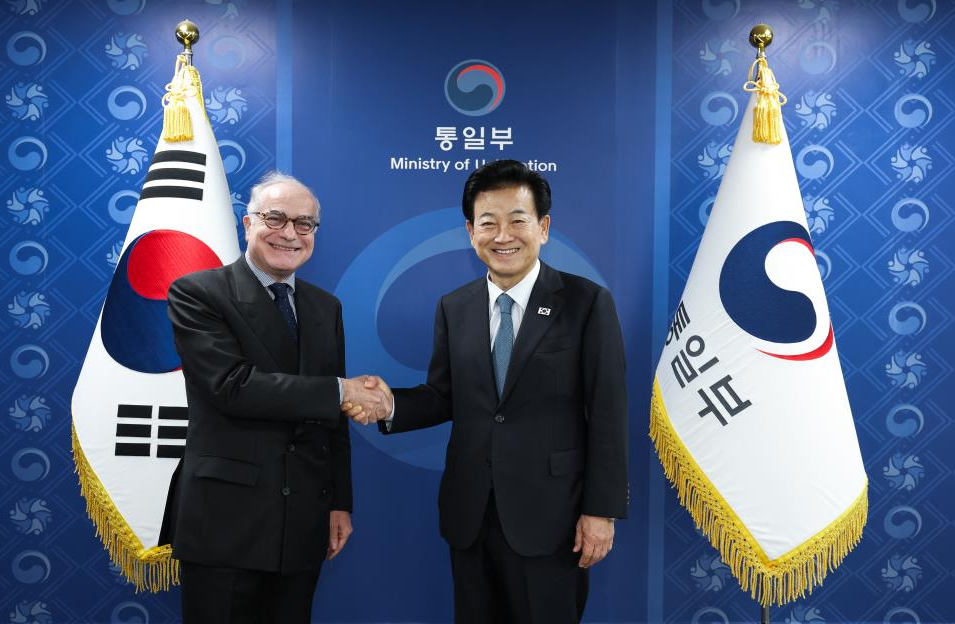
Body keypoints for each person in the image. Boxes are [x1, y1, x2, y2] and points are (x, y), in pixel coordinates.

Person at [345, 160, 629, 624]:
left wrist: (602, 510)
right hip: (471, 513)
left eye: (517, 220)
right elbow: (442, 395)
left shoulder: (586, 303)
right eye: (488, 223)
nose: (503, 235)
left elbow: (608, 412)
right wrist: (389, 403)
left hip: (553, 518)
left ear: (543, 227)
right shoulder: (455, 307)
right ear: (470, 231)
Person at [160, 171, 390, 624]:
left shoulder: (325, 308)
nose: (289, 233)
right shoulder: (198, 293)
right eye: (276, 218)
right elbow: (233, 386)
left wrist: (338, 500)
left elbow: (333, 417)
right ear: (247, 224)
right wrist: (341, 390)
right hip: (226, 522)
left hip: (303, 518)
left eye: (304, 224)